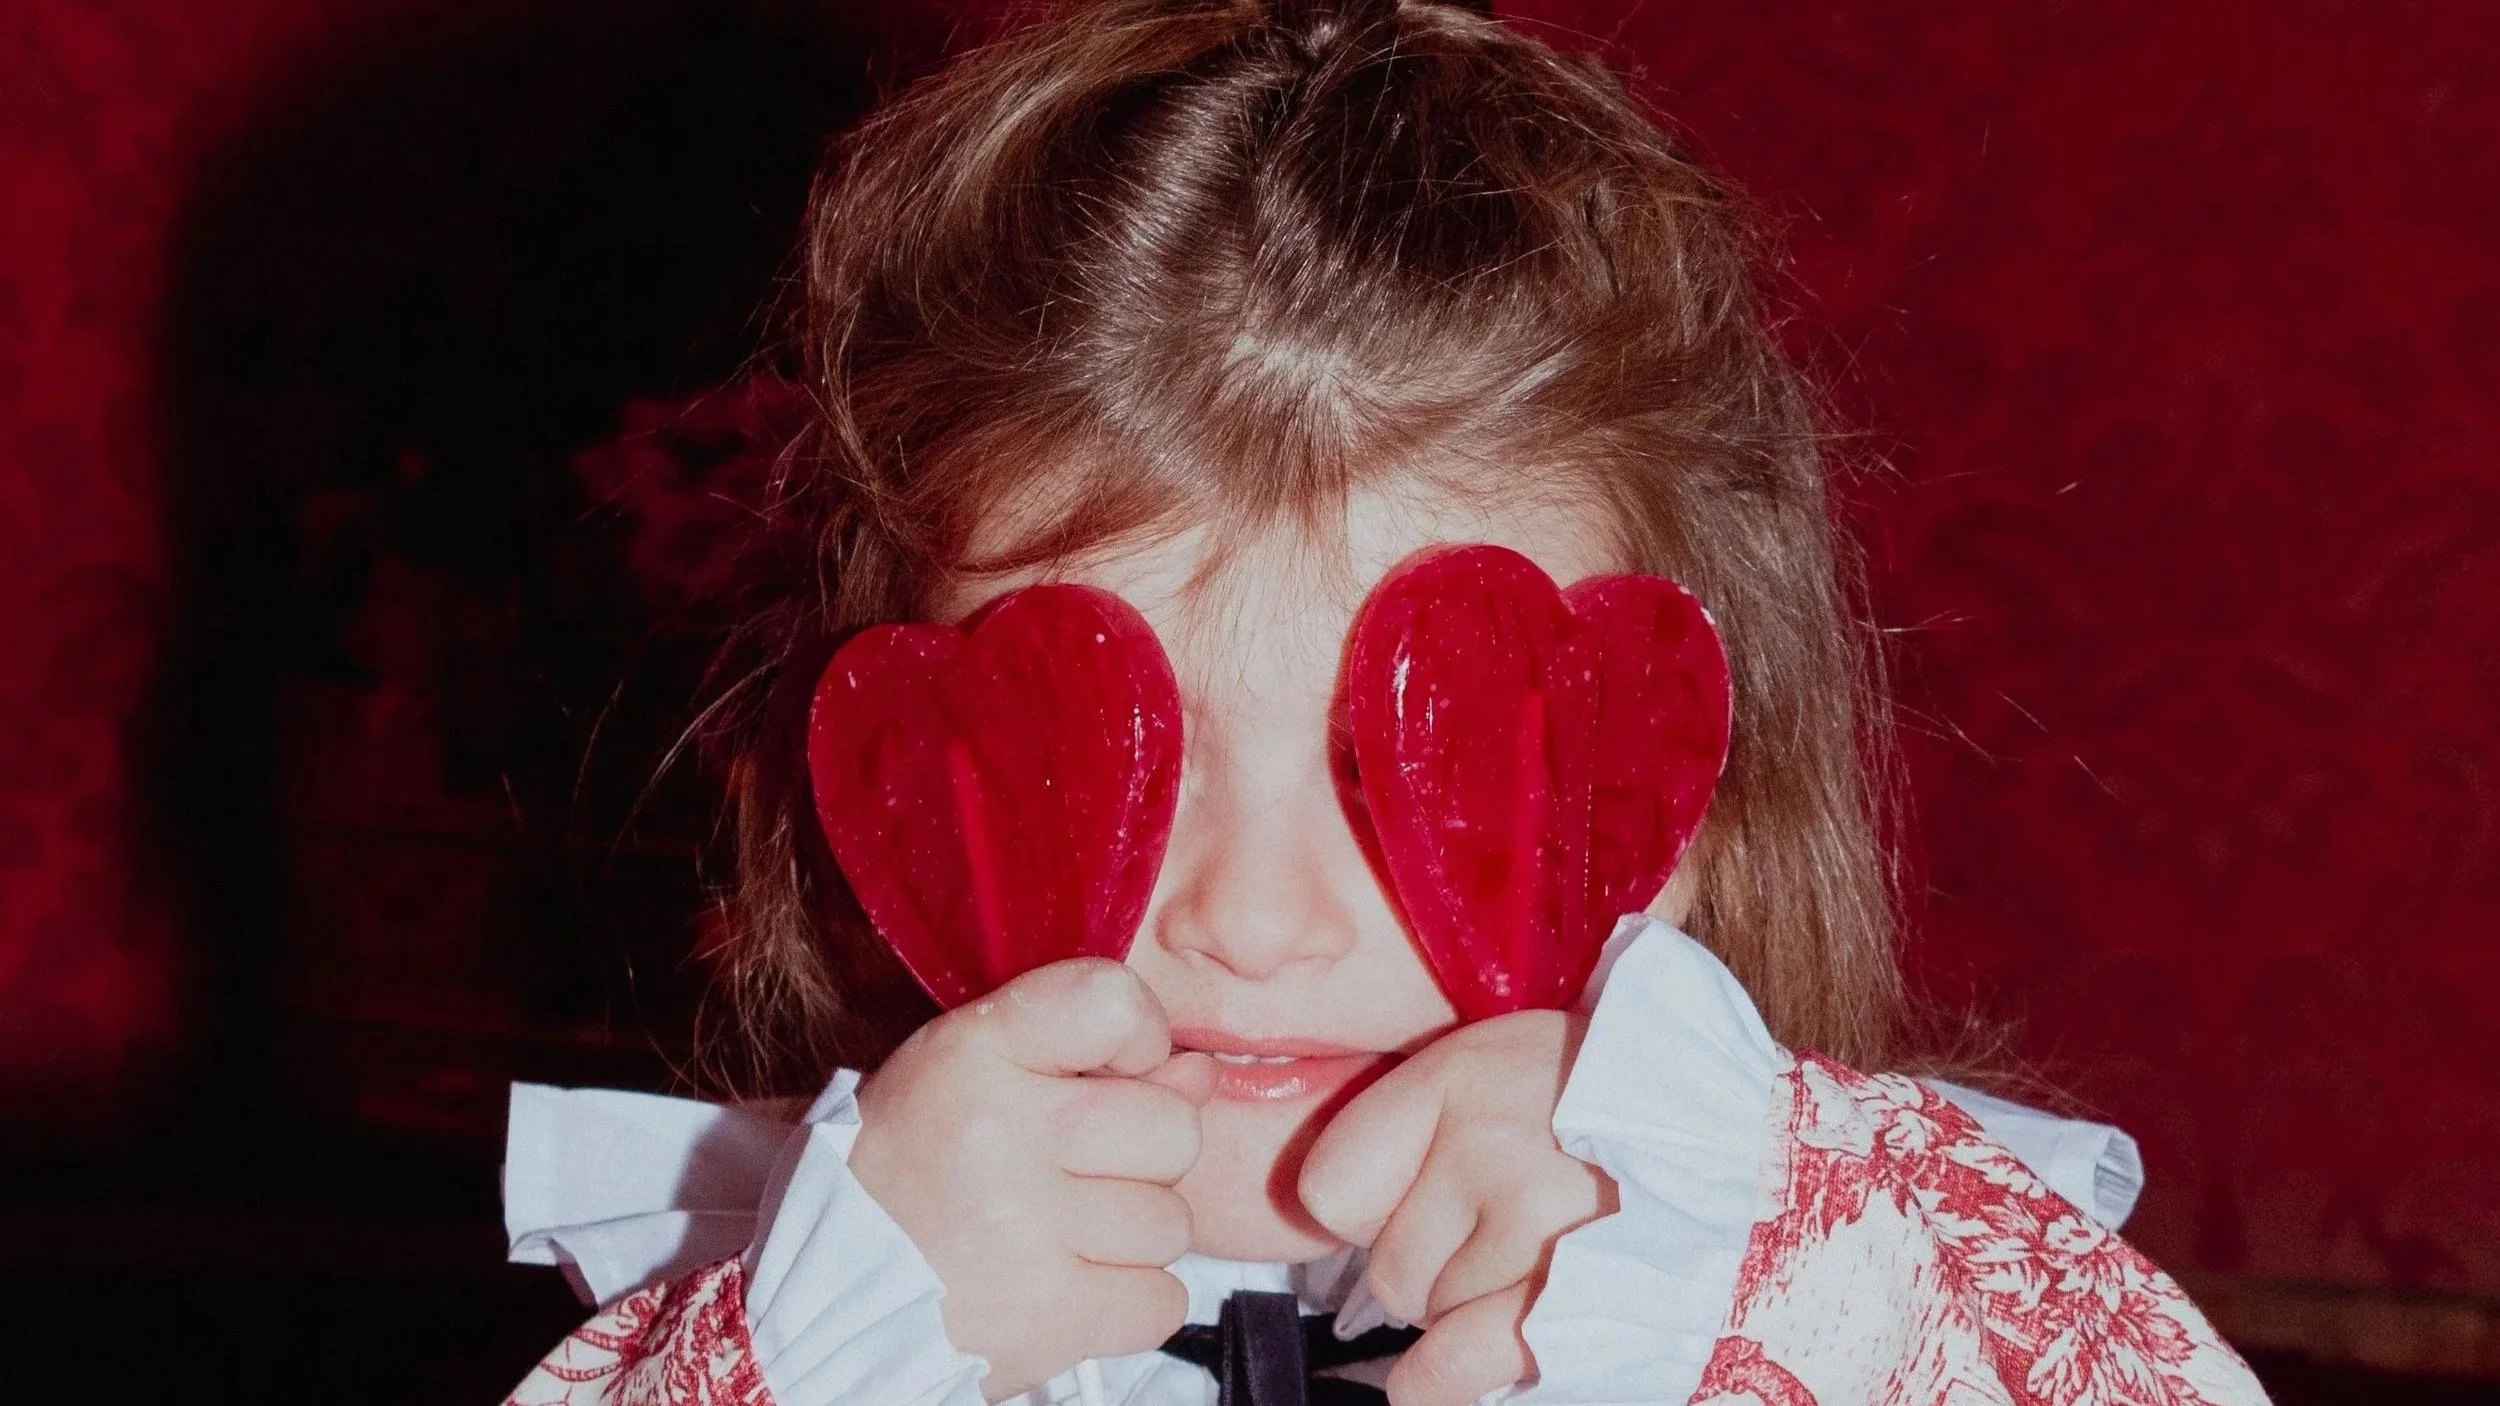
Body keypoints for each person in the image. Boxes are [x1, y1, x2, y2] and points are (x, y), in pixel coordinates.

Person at [500, 0, 2271, 1402]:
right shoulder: (803, 1316)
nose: (1253, 920)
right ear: (895, 816)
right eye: (1124, 762)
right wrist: (833, 1359)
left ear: (1691, 820)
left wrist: (1763, 1290)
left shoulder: (1879, 1292)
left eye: (1405, 762)